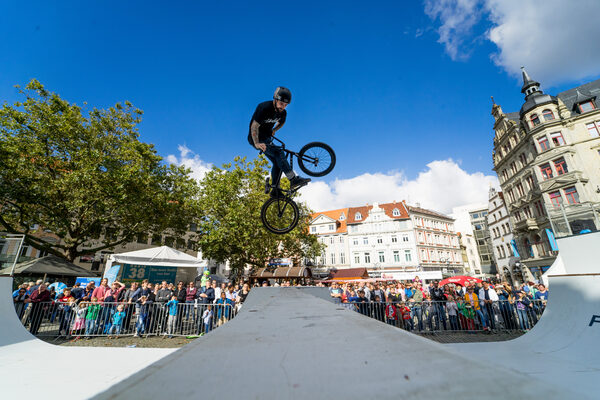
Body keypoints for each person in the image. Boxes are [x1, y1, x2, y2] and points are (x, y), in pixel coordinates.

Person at [248, 86, 310, 197]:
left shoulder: (283, 113)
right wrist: (257, 143)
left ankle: (275, 190)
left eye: (286, 105)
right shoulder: (264, 107)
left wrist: (274, 130)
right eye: (281, 104)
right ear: (275, 100)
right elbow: (254, 126)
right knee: (279, 153)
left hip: (267, 138)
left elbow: (281, 123)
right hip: (256, 138)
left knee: (278, 162)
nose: (283, 107)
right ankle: (293, 179)